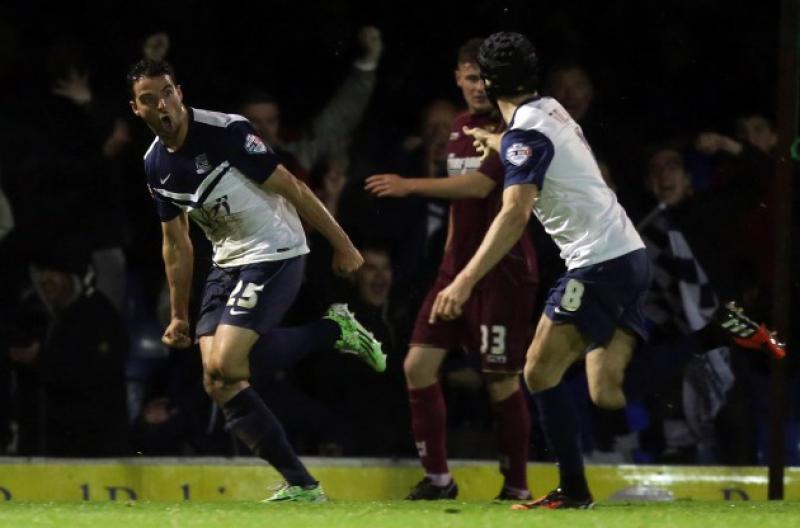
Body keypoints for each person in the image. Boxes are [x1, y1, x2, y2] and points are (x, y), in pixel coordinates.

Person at [127, 59, 386, 502]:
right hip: (227, 264)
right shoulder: (155, 164)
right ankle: (303, 486)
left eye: (167, 92)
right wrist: (177, 315)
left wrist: (343, 245)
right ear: (137, 110)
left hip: (275, 251)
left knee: (227, 364)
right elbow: (176, 244)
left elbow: (295, 188)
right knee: (217, 379)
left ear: (180, 92)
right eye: (149, 99)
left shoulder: (226, 132)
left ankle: (333, 329)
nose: (162, 104)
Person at [366, 38, 538, 501]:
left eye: (485, 77)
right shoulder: (460, 126)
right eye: (470, 77)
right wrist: (446, 264)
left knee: (500, 380)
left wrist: (409, 185)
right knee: (417, 366)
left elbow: (480, 188)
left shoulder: (515, 128)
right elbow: (461, 212)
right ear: (458, 78)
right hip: (455, 269)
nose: (478, 86)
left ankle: (517, 487)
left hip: (503, 270)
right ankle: (440, 480)